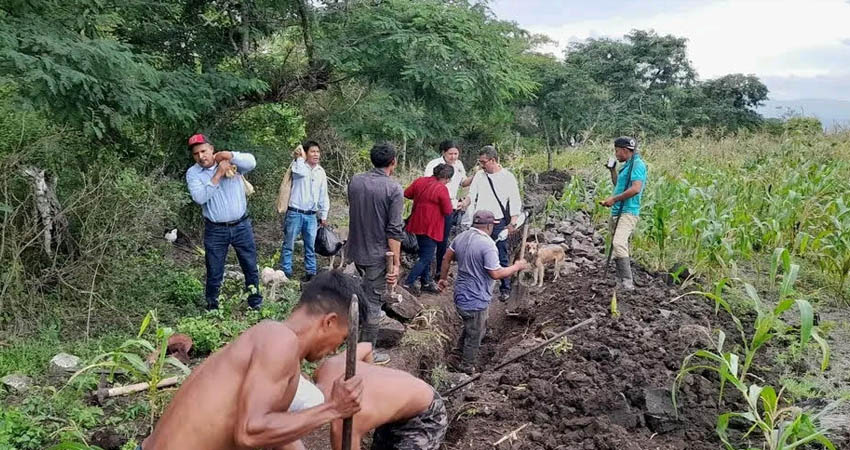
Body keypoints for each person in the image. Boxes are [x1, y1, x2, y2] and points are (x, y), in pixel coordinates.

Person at [141, 271, 366, 450]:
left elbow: (278, 433)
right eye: (343, 338)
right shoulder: (280, 340)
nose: (337, 348)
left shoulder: (273, 343)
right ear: (329, 322)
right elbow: (250, 432)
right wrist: (333, 408)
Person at [437, 210, 529, 374]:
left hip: (460, 295)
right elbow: (495, 273)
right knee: (475, 335)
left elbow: (446, 258)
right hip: (476, 298)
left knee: (471, 326)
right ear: (489, 225)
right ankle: (466, 368)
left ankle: (455, 356)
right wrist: (516, 267)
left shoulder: (461, 237)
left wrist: (443, 279)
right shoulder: (488, 245)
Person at [314, 343, 448, 450]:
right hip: (398, 409)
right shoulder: (327, 367)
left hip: (427, 413)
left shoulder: (343, 425)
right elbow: (366, 347)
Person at [185, 134, 262, 310]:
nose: (201, 156)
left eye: (204, 151)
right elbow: (199, 197)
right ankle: (212, 307)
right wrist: (218, 174)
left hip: (242, 225)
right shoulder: (193, 173)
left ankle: (255, 302)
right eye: (196, 154)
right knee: (214, 270)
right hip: (215, 229)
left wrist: (230, 155)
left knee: (250, 265)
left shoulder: (231, 163)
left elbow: (251, 162)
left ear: (211, 149)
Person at [347, 142, 405, 365]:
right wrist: (397, 263)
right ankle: (365, 354)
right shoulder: (393, 189)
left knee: (360, 297)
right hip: (377, 256)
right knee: (373, 304)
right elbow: (394, 230)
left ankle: (355, 343)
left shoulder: (356, 181)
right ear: (393, 162)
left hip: (355, 249)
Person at [461, 145, 522, 301]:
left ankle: (505, 287)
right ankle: (477, 284)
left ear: (493, 160)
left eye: (483, 162)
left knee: (500, 253)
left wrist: (512, 223)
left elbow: (515, 201)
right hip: (479, 221)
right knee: (475, 252)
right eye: (480, 162)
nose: (481, 165)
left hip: (497, 221)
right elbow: (471, 195)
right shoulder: (480, 176)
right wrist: (464, 204)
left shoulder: (507, 177)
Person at [600, 136, 647, 291]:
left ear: (626, 151)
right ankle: (620, 279)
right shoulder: (627, 166)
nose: (616, 154)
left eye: (617, 151)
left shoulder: (637, 165)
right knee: (617, 244)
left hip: (628, 211)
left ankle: (627, 282)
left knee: (618, 243)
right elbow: (618, 184)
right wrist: (612, 170)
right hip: (617, 210)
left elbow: (635, 189)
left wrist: (614, 199)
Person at [280, 140, 330, 282]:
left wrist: (323, 214)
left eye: (317, 152)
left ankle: (311, 273)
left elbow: (323, 195)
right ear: (305, 154)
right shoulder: (298, 166)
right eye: (312, 151)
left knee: (310, 246)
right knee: (289, 243)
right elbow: (299, 172)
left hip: (311, 215)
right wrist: (300, 158)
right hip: (295, 212)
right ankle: (286, 272)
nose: (316, 154)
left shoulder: (321, 172)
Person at [424, 140, 474, 277]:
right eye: (450, 153)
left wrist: (475, 175)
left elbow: (463, 183)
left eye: (456, 153)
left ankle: (440, 269)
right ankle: (426, 271)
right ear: (443, 153)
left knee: (443, 239)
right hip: (434, 206)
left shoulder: (458, 165)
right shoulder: (434, 165)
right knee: (430, 239)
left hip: (450, 206)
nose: (453, 157)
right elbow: (428, 185)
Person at [402, 163, 454, 294]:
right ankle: (408, 283)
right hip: (431, 227)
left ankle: (426, 282)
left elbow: (407, 193)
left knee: (425, 254)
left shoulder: (420, 181)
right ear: (446, 178)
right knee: (426, 256)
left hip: (416, 223)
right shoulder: (441, 189)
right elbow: (448, 210)